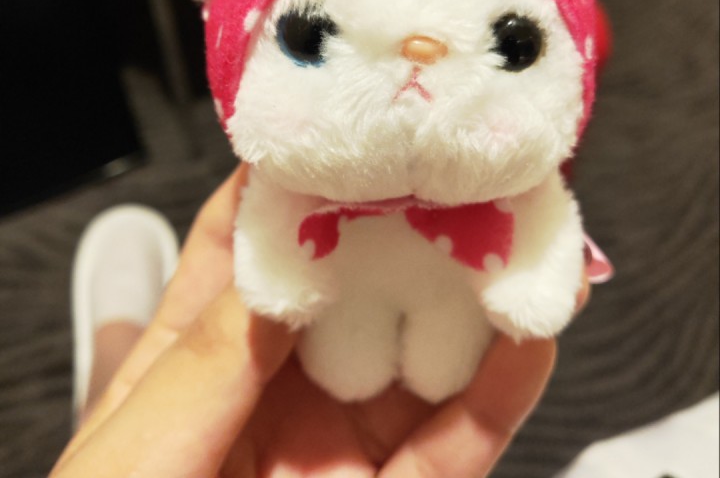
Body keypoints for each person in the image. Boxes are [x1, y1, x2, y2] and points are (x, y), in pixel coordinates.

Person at [50, 165, 594, 478]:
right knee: (348, 360)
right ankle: (110, 393)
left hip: (433, 288)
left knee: (145, 381)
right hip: (353, 286)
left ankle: (105, 390)